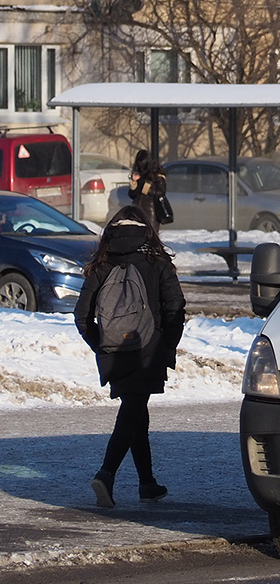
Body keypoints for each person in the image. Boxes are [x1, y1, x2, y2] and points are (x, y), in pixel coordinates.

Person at [73, 205, 186, 508]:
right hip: (148, 349)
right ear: (145, 229)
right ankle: (106, 474)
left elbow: (81, 316)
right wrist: (166, 346)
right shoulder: (157, 261)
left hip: (115, 351)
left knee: (137, 413)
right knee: (133, 411)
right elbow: (176, 308)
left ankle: (147, 484)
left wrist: (102, 345)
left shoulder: (102, 263)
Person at [128, 150, 167, 234]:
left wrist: (146, 189)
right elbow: (131, 194)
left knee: (150, 235)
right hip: (137, 209)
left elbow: (161, 192)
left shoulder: (157, 174)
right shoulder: (138, 174)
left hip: (150, 210)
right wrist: (134, 183)